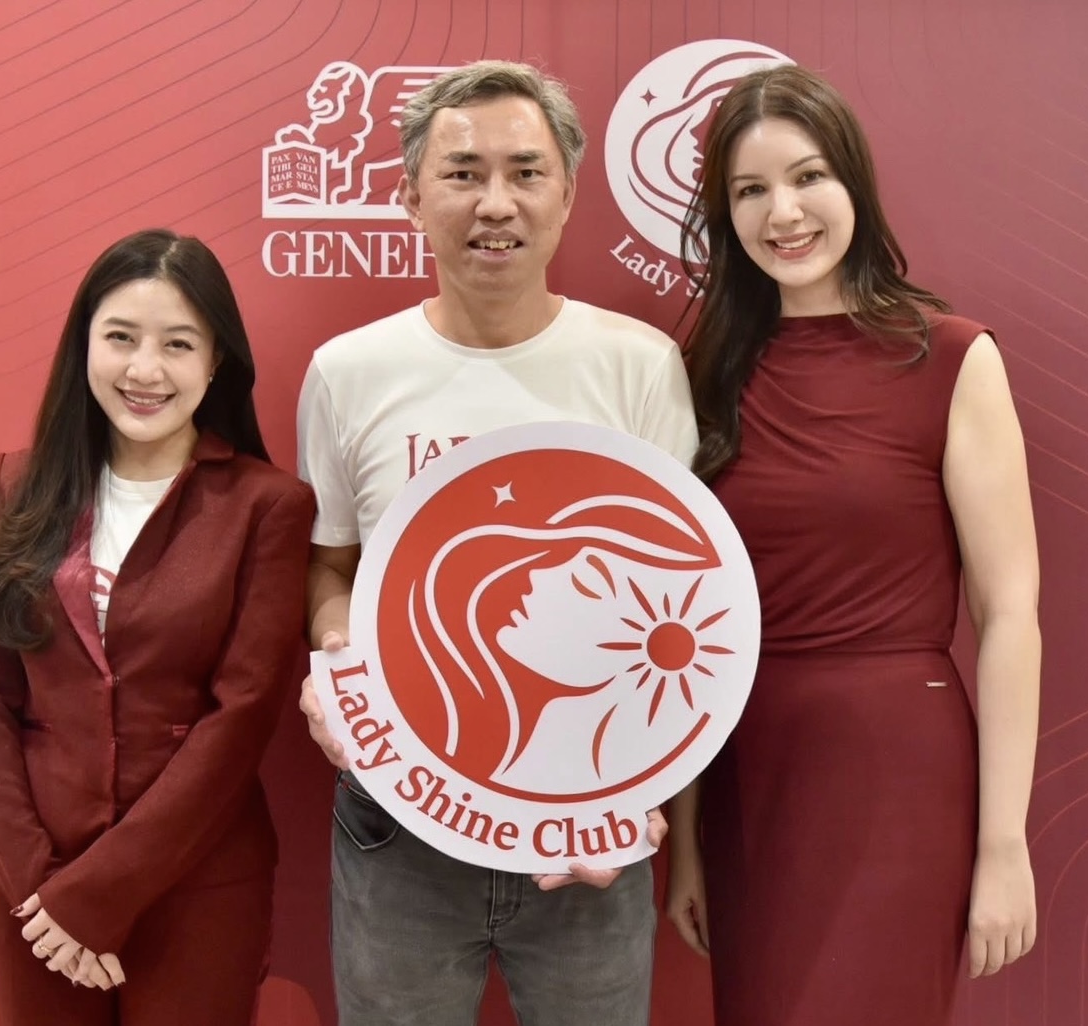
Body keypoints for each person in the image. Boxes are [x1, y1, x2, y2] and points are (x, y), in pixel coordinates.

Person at [296, 60, 698, 1026]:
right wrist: (337, 662)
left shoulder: (639, 366)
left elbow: (686, 609)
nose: (495, 204)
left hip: (590, 829)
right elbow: (332, 563)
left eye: (525, 172)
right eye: (463, 173)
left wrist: (644, 788)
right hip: (400, 822)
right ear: (411, 196)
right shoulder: (348, 372)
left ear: (567, 194)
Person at [663, 64, 1040, 1026]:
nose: (784, 213)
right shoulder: (703, 372)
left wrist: (1004, 843)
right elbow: (687, 626)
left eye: (808, 177)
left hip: (898, 768)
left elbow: (1009, 614)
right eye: (750, 190)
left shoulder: (950, 355)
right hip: (747, 767)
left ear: (854, 185)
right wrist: (690, 843)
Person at [0, 228, 315, 1026]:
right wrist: (40, 889)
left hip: (198, 885)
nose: (145, 370)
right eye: (121, 338)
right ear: (84, 344)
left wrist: (100, 893)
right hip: (33, 892)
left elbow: (243, 715)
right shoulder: (20, 486)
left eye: (178, 344)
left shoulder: (267, 506)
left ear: (215, 363)